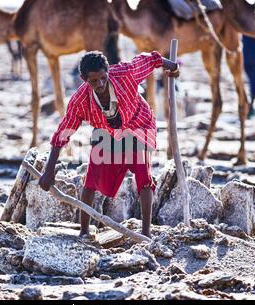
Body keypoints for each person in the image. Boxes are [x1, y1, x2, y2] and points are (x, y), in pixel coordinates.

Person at [39, 51, 179, 238]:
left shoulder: (125, 74)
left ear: (108, 72)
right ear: (84, 79)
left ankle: (146, 233)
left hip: (139, 124)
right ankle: (84, 232)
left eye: (103, 78)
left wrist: (172, 66)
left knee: (143, 176)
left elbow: (149, 60)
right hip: (107, 133)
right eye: (94, 81)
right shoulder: (80, 101)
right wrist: (49, 170)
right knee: (91, 180)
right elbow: (63, 132)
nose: (101, 85)